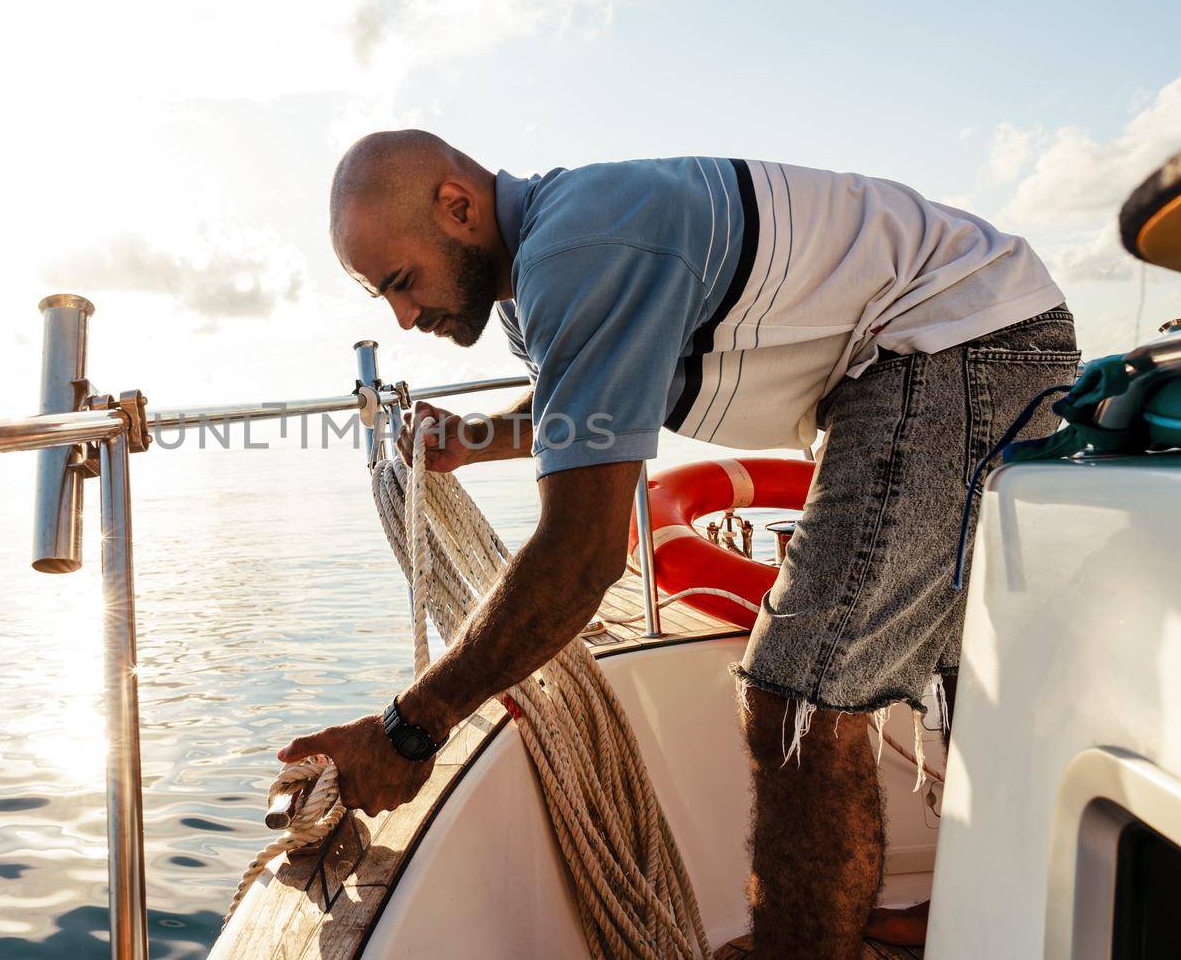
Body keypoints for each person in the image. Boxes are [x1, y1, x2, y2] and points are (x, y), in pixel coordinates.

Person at [277, 129, 1078, 958]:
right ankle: (973, 910)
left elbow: (581, 558)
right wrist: (477, 438)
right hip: (967, 333)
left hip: (956, 338)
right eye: (386, 300)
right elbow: (593, 386)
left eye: (403, 282)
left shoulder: (579, 247)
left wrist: (411, 726)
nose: (406, 317)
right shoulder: (547, 270)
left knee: (793, 697)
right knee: (945, 669)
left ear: (457, 205)